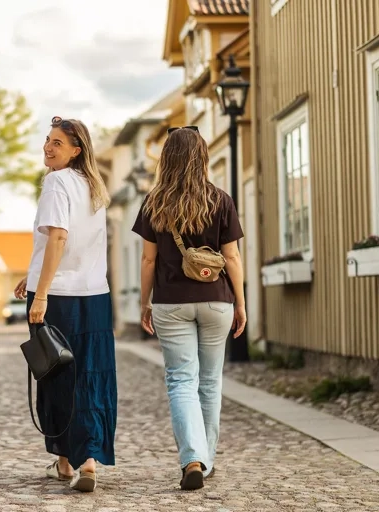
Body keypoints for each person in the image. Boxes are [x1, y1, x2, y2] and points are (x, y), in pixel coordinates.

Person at [131, 127, 246, 491]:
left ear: (166, 158)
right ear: (202, 157)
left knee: (181, 380)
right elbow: (232, 257)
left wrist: (144, 302)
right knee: (210, 381)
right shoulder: (221, 200)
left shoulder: (154, 203)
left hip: (171, 303)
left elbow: (148, 261)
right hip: (216, 300)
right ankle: (206, 460)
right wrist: (240, 303)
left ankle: (192, 458)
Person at [13, 116, 116, 493]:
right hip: (95, 294)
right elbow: (71, 246)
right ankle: (84, 460)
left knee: (56, 376)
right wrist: (34, 272)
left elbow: (58, 237)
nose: (48, 147)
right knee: (89, 377)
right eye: (47, 139)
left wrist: (40, 294)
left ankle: (68, 460)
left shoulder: (56, 182)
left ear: (76, 151)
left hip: (59, 298)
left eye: (57, 143)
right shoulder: (93, 187)